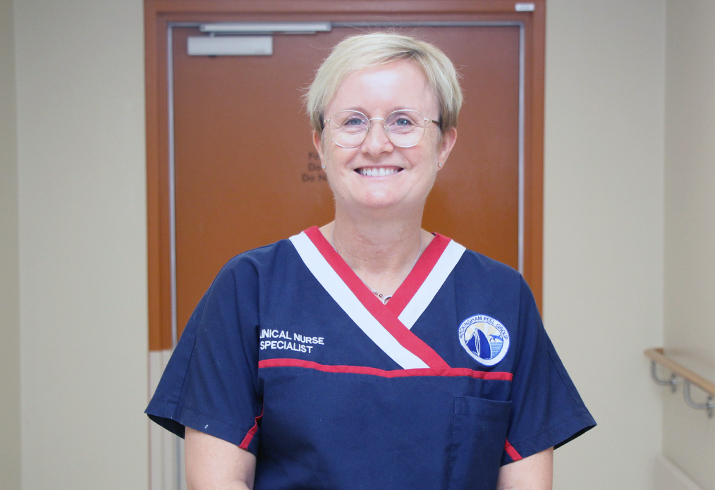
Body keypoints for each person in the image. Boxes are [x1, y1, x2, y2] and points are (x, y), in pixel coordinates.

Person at [146, 32, 595, 490]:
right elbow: (216, 482)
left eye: (404, 121)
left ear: (444, 145)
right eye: (353, 121)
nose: (377, 144)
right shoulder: (250, 288)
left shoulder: (501, 297)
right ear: (321, 143)